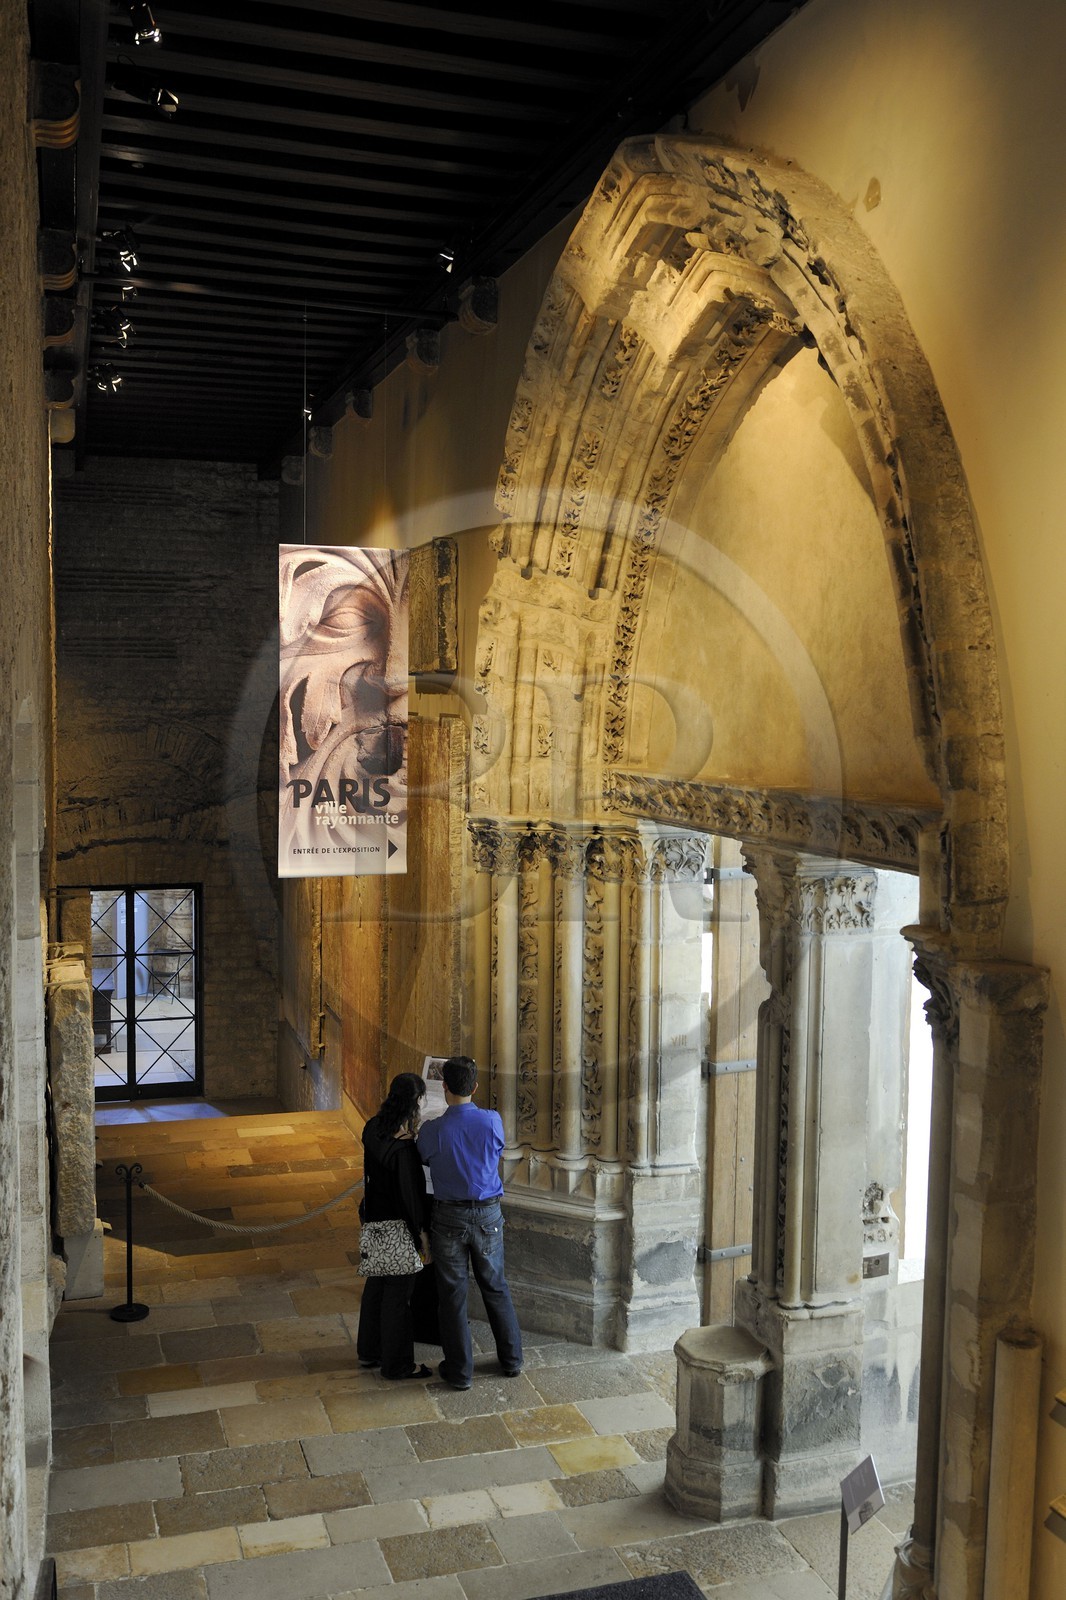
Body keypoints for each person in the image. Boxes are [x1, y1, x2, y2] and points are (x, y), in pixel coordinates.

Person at [416, 1055, 523, 1390]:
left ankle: (460, 1371)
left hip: (449, 1216)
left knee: (452, 1295)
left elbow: (422, 1155)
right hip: (488, 1214)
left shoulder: (434, 1129)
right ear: (475, 1087)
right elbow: (497, 1151)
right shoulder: (492, 1121)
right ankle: (512, 1359)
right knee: (496, 1286)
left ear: (444, 1086)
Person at [356, 1072, 432, 1380]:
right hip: (397, 1230)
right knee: (398, 1296)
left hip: (374, 1222)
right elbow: (410, 1200)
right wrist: (422, 1235)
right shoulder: (404, 1150)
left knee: (376, 1286)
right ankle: (398, 1364)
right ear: (415, 1103)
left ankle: (369, 1350)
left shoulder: (372, 1128)